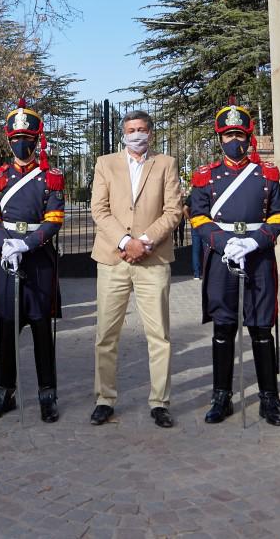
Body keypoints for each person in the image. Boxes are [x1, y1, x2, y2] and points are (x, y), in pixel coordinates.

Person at [188, 98, 280, 426]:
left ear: (249, 137)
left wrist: (254, 241)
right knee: (224, 327)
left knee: (261, 328)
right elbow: (198, 216)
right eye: (228, 136)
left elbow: (279, 214)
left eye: (239, 135)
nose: (234, 142)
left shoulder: (266, 174)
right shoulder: (207, 176)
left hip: (258, 257)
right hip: (222, 258)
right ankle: (221, 395)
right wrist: (224, 243)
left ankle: (269, 397)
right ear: (220, 138)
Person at [88, 110, 184, 428]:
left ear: (150, 133)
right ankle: (105, 399)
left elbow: (173, 210)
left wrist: (144, 241)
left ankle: (160, 401)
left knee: (159, 336)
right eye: (131, 130)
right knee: (106, 335)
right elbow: (99, 209)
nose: (137, 134)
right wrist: (125, 241)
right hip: (113, 258)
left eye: (142, 129)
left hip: (152, 259)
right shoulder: (106, 163)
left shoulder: (166, 164)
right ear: (123, 133)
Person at [0, 100, 66, 422]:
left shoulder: (51, 178)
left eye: (27, 137)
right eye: (15, 137)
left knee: (42, 328)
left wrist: (25, 245)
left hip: (38, 259)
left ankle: (47, 393)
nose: (21, 142)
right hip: (7, 259)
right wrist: (6, 245)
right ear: (8, 139)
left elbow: (54, 219)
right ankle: (4, 393)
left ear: (36, 138)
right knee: (6, 329)